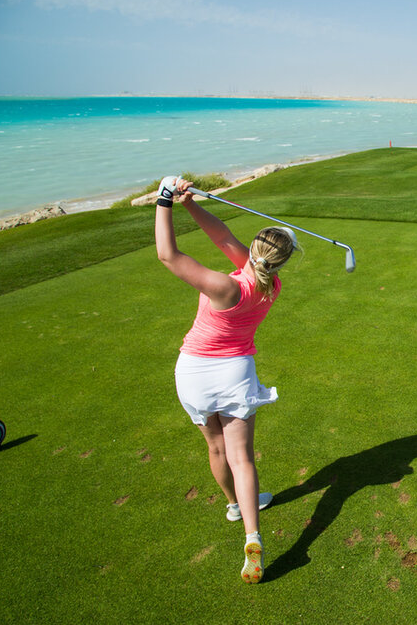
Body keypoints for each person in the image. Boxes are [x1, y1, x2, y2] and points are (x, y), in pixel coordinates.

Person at [154, 176, 298, 584]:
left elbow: (168, 255)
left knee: (216, 449)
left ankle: (234, 505)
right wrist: (189, 203)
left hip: (194, 374)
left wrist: (164, 199)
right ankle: (252, 536)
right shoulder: (271, 285)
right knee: (242, 458)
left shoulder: (224, 286)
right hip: (235, 374)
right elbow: (222, 237)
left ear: (252, 250)